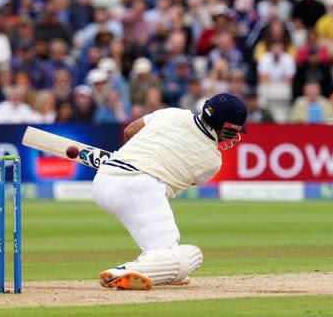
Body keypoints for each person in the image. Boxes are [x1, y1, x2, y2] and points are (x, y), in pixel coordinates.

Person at [93, 93, 247, 290]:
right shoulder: (212, 161)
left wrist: (129, 156)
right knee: (189, 255)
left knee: (171, 256)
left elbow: (130, 132)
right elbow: (178, 180)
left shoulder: (173, 113)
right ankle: (123, 271)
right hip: (140, 188)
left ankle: (162, 269)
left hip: (104, 177)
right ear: (227, 129)